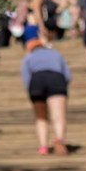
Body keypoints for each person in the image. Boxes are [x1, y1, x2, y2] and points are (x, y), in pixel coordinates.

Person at [20, 27, 71, 156]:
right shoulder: (56, 54)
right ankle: (59, 139)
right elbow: (67, 75)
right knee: (58, 116)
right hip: (56, 79)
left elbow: (26, 78)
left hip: (37, 81)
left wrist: (31, 92)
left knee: (41, 117)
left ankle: (43, 147)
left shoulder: (28, 58)